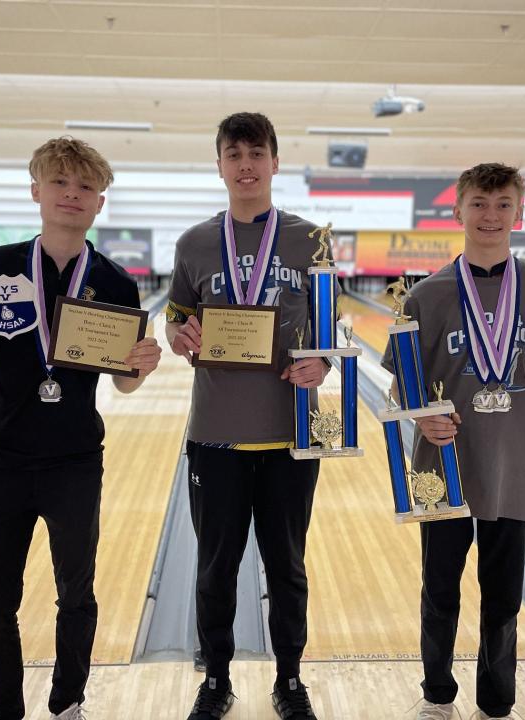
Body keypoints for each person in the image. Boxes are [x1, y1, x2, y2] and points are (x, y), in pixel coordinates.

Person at [382, 163, 525, 720]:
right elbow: (401, 388)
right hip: (442, 467)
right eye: (480, 203)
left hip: (516, 467)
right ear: (458, 210)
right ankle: (438, 697)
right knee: (439, 593)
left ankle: (497, 701)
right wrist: (419, 418)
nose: (491, 215)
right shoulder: (425, 296)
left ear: (519, 211)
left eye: (503, 204)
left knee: (504, 598)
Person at [0, 137, 161, 720]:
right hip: (2, 459)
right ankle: (5, 709)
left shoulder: (114, 282)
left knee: (77, 595)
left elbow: (122, 385)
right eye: (60, 183)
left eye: (85, 186)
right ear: (36, 191)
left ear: (100, 203)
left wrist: (139, 367)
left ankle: (67, 704)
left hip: (74, 460)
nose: (72, 194)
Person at [166, 112, 329, 720]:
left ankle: (289, 680)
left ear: (275, 162)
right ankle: (217, 682)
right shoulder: (194, 244)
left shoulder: (312, 240)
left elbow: (327, 329)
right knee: (215, 568)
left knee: (287, 568)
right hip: (214, 436)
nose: (245, 165)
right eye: (233, 154)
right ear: (219, 165)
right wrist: (180, 334)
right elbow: (177, 315)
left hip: (289, 433)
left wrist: (322, 366)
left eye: (256, 153)